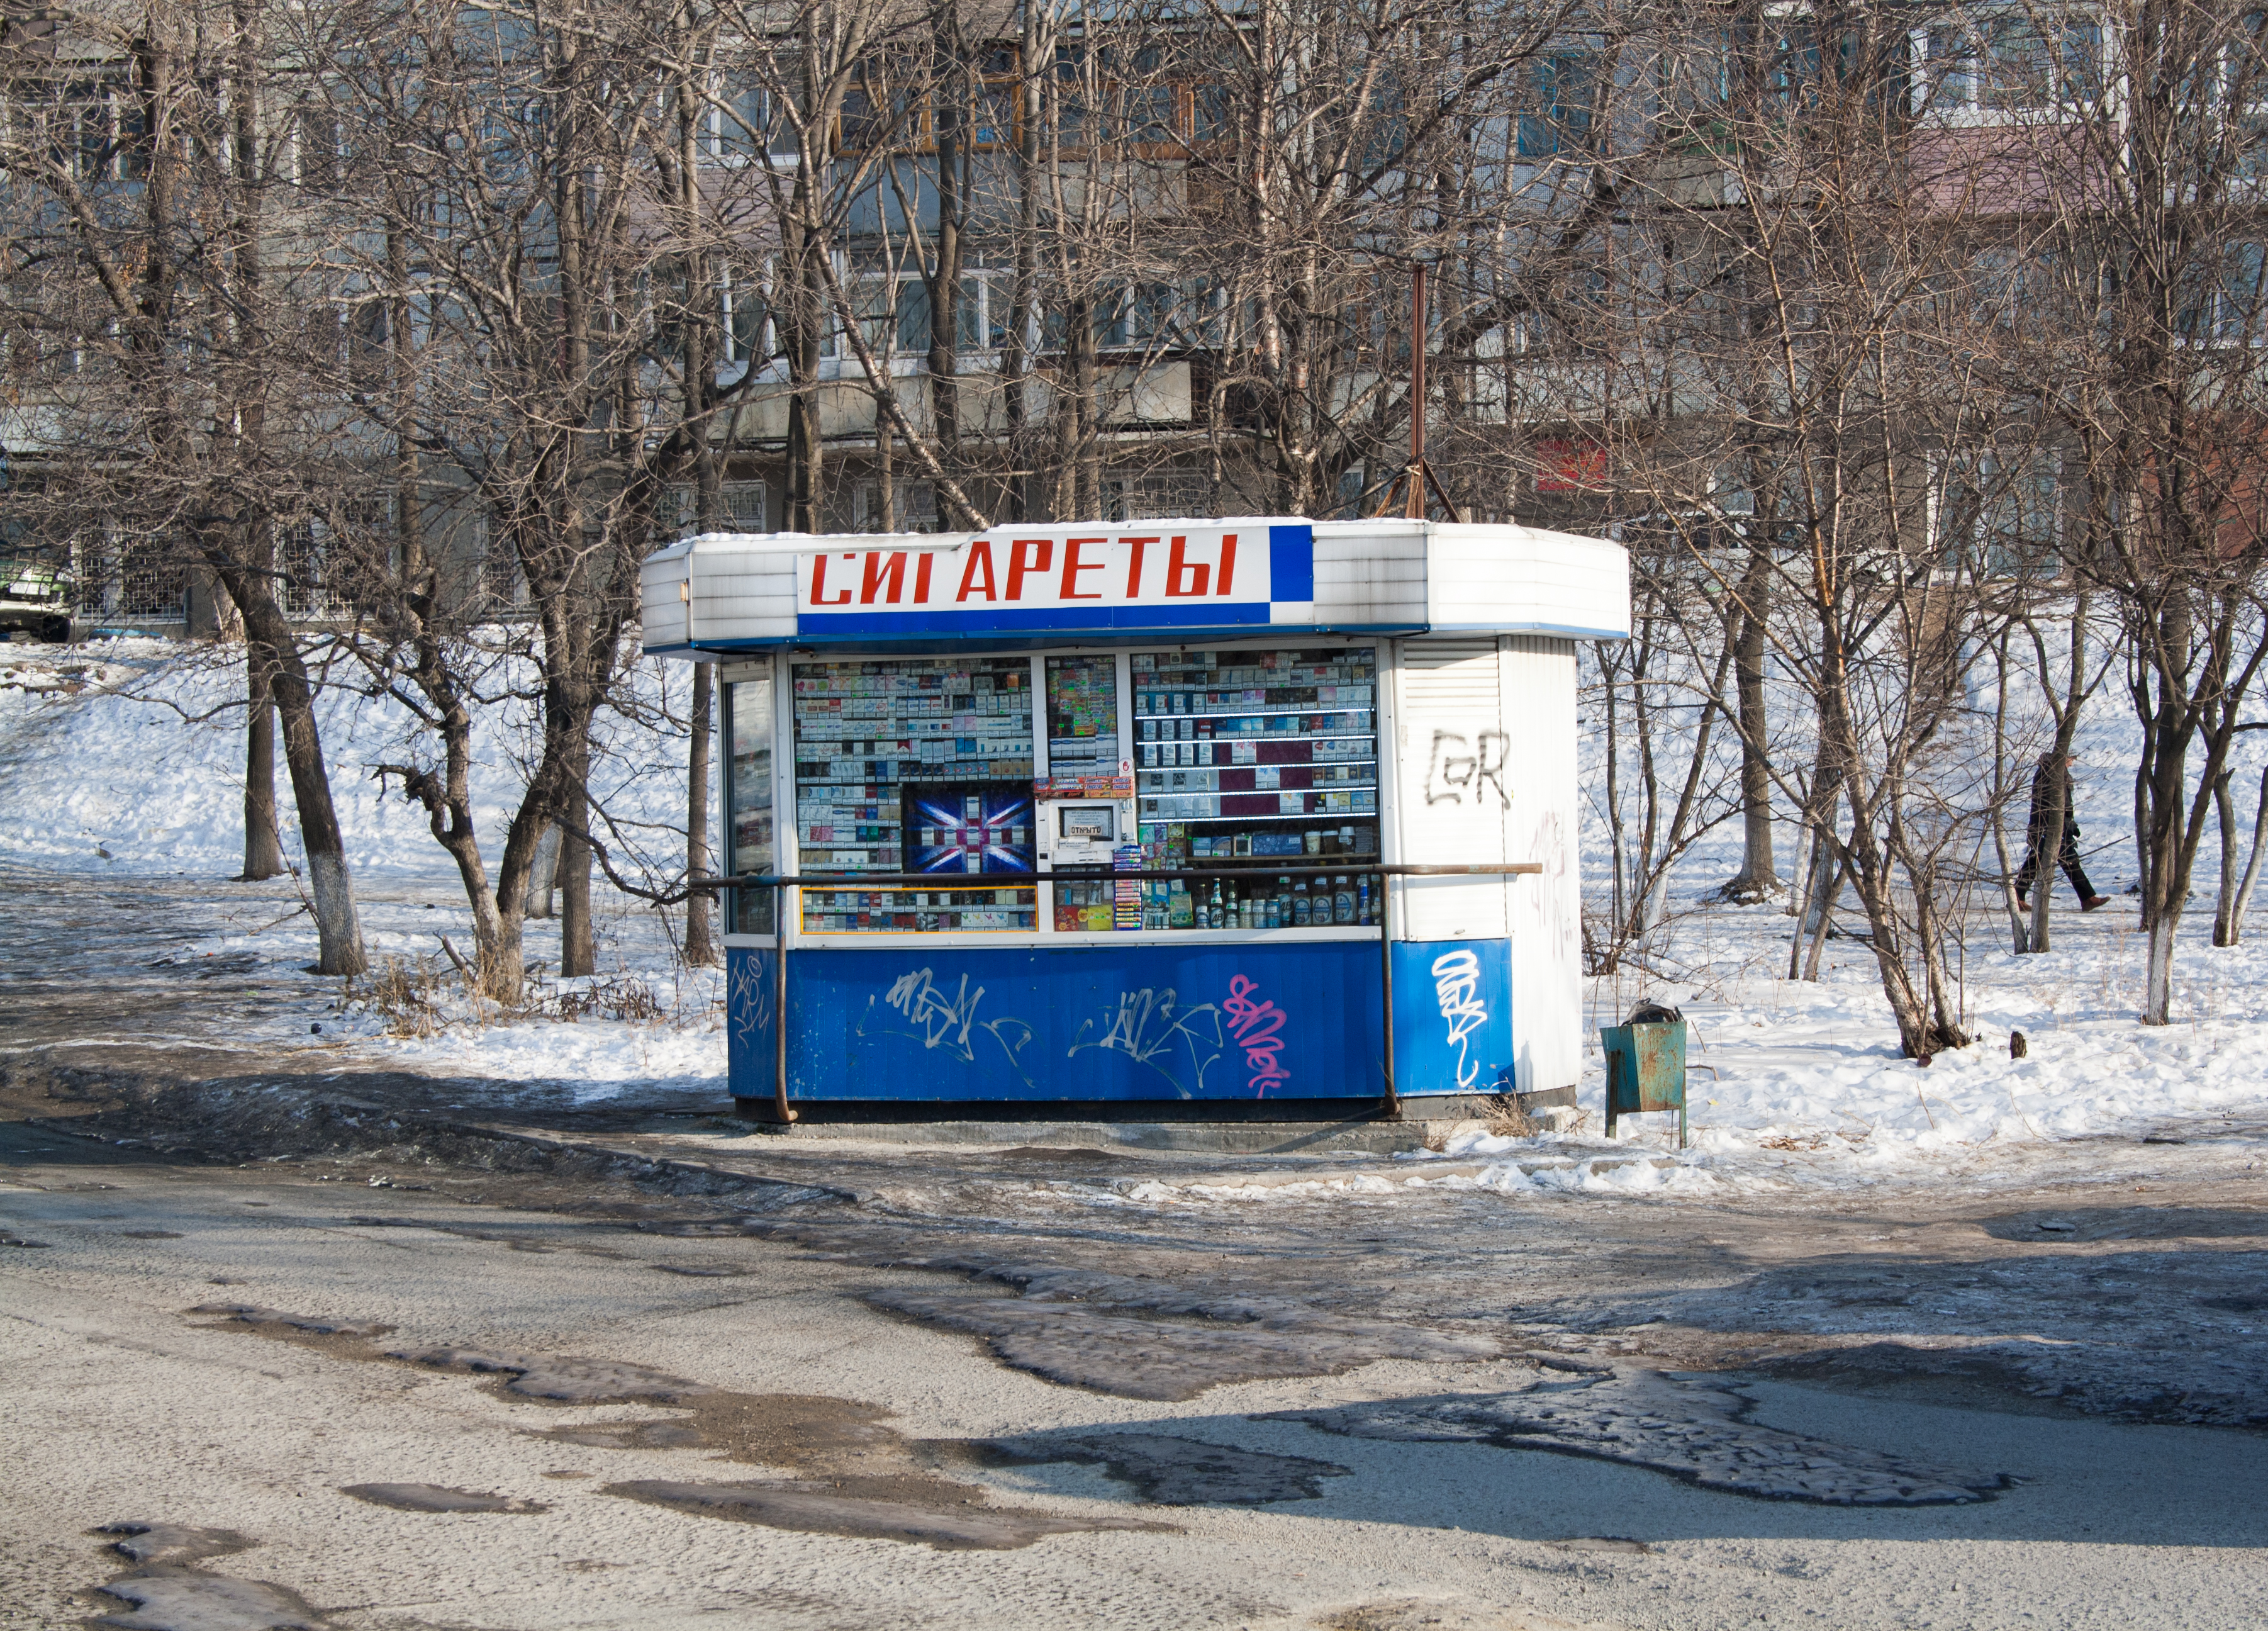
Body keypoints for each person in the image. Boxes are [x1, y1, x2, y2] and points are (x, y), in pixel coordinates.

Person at [2016, 750, 2108, 911]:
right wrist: (2063, 825)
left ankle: (2017, 896)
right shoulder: (2051, 773)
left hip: (2055, 826)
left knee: (2043, 860)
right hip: (2049, 827)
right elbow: (2050, 804)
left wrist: (2069, 824)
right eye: (2071, 759)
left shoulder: (2055, 771)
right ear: (2063, 758)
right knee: (2062, 860)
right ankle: (2088, 898)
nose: (2072, 763)